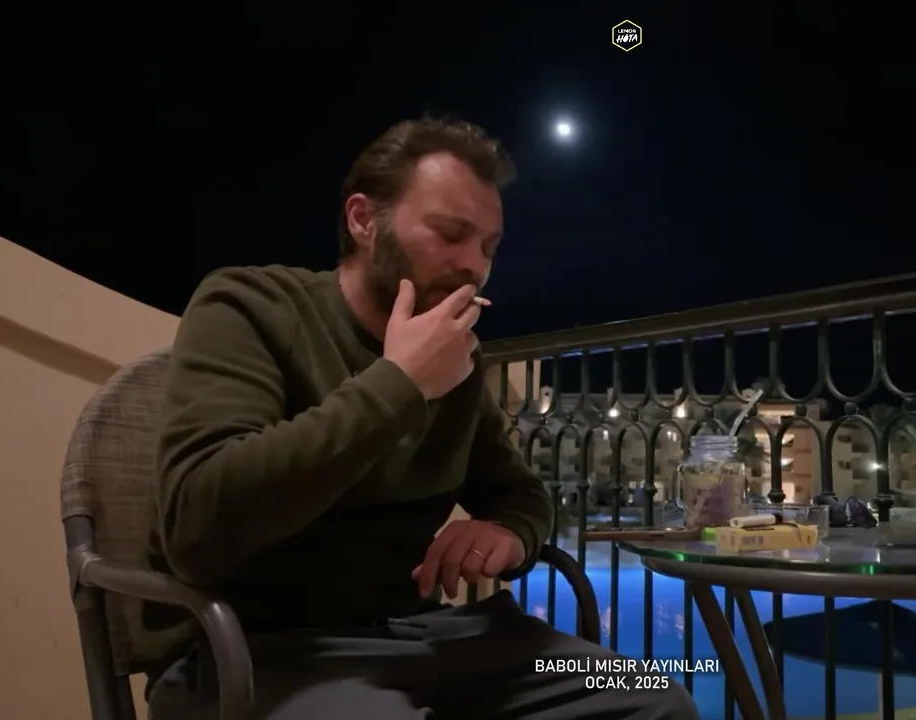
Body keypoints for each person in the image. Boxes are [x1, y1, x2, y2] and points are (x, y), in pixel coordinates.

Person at [145, 117, 700, 720]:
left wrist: (509, 532)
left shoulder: (457, 362)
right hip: (258, 650)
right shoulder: (248, 307)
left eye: (488, 248)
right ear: (363, 220)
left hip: (429, 635)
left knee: (658, 700)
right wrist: (400, 384)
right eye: (450, 234)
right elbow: (197, 526)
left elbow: (521, 493)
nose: (474, 267)